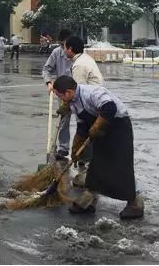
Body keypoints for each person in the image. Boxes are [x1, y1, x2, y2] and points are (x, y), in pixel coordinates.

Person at [52, 76, 144, 218]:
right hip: (101, 131)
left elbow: (109, 107)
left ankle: (135, 204)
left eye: (60, 96)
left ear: (69, 92)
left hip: (118, 127)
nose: (61, 100)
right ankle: (88, 201)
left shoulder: (92, 93)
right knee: (97, 164)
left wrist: (96, 125)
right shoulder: (74, 103)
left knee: (121, 166)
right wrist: (75, 149)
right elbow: (82, 126)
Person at [63, 35, 104, 187]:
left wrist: (66, 106)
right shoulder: (84, 59)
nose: (63, 50)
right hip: (94, 104)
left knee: (83, 138)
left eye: (64, 47)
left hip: (90, 107)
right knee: (85, 137)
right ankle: (86, 166)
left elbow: (75, 92)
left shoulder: (79, 65)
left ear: (70, 49)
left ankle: (88, 172)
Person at [43, 29, 75, 159]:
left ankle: (83, 154)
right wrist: (49, 82)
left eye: (65, 45)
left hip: (78, 93)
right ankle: (63, 148)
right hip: (63, 94)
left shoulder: (79, 56)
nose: (63, 49)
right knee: (63, 121)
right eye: (61, 45)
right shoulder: (56, 53)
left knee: (83, 121)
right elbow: (47, 69)